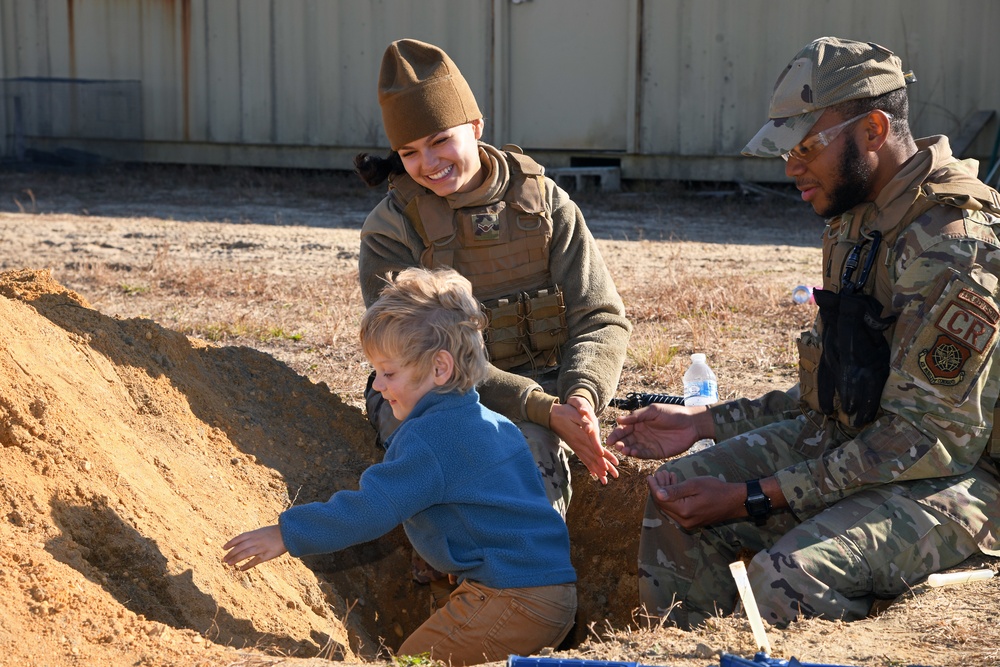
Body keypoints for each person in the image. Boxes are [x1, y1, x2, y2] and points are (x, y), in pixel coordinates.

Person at [607, 36, 1000, 629]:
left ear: (873, 130)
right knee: (677, 493)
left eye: (807, 146)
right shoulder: (855, 218)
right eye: (785, 149)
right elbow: (840, 399)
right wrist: (704, 424)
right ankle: (687, 646)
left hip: (964, 478)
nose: (791, 167)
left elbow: (919, 437)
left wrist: (757, 496)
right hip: (870, 445)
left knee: (787, 576)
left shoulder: (955, 246)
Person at [222, 267, 577, 666]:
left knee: (412, 661)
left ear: (439, 368)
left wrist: (287, 534)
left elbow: (372, 509)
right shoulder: (494, 422)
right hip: (551, 592)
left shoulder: (429, 436)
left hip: (511, 597)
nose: (377, 385)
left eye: (388, 372)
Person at [354, 39, 631, 521]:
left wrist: (581, 398)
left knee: (529, 465)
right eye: (410, 152)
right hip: (431, 391)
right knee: (452, 460)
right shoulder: (391, 228)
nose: (430, 163)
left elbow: (600, 317)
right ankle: (446, 568)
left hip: (545, 387)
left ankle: (531, 590)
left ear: (476, 126)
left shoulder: (546, 204)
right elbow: (413, 360)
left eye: (441, 140)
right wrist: (543, 409)